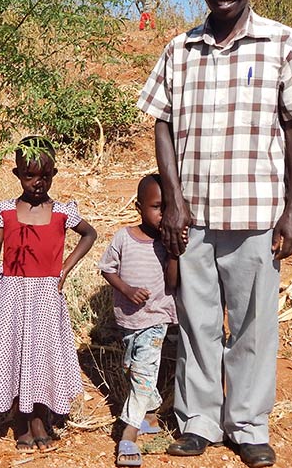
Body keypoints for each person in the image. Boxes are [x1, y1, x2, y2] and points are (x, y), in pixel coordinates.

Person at [136, 0, 292, 467]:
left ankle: (247, 423)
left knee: (252, 324)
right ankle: (198, 420)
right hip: (194, 215)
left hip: (255, 214)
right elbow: (162, 123)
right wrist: (172, 200)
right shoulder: (180, 48)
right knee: (197, 322)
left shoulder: (282, 43)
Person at [0, 136, 97, 453]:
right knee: (15, 353)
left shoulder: (62, 212)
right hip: (12, 293)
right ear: (17, 174)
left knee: (42, 354)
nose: (37, 183)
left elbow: (90, 233)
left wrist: (65, 269)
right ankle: (22, 423)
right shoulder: (2, 212)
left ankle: (40, 418)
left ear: (53, 174)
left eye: (44, 175)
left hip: (46, 293)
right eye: (29, 175)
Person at [98, 174, 179, 467]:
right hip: (128, 320)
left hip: (156, 319)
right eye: (157, 207)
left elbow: (172, 283)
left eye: (168, 208)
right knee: (132, 369)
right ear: (139, 206)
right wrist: (127, 290)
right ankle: (151, 415)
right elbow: (107, 269)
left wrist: (174, 252)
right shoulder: (124, 237)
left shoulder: (168, 244)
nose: (163, 214)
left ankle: (128, 434)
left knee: (143, 372)